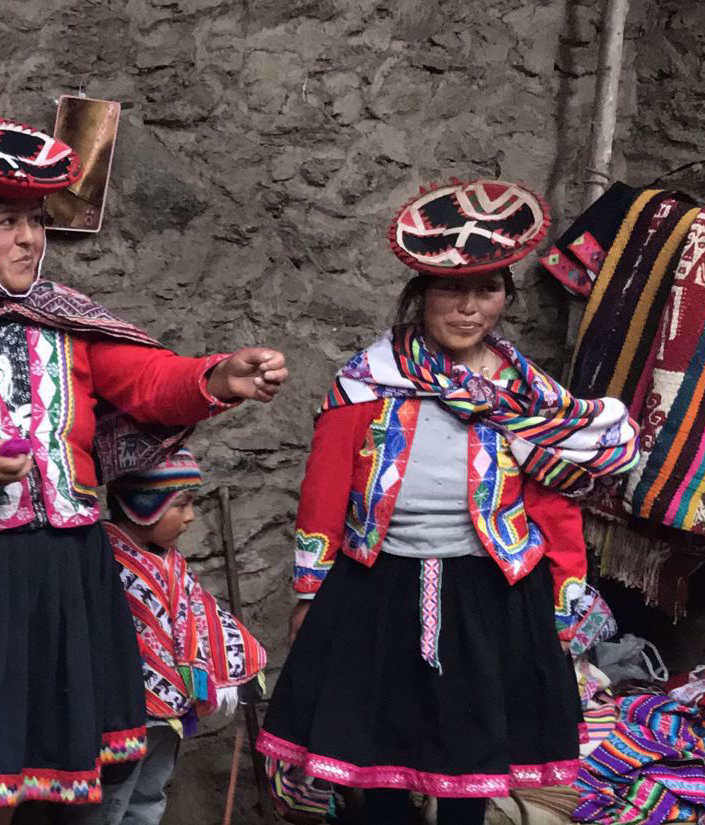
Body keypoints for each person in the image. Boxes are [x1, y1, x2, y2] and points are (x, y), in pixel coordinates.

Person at [0, 112, 290, 824]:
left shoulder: (67, 320)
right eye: (6, 222)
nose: (30, 239)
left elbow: (148, 379)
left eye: (35, 222)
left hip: (53, 575)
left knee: (8, 767)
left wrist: (217, 377)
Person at [259, 179, 641, 825]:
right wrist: (308, 591)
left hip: (491, 594)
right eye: (451, 289)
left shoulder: (527, 397)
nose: (469, 307)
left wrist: (566, 588)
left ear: (504, 297)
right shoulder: (368, 380)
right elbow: (325, 488)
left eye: (487, 289)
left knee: (471, 765)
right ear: (421, 294)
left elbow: (550, 502)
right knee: (376, 756)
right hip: (376, 586)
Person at [98, 451, 266, 825]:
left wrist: (239, 662)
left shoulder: (172, 563)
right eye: (181, 505)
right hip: (123, 712)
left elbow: (203, 616)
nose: (190, 517)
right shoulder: (105, 562)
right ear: (144, 504)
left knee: (149, 794)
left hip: (171, 706)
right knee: (109, 802)